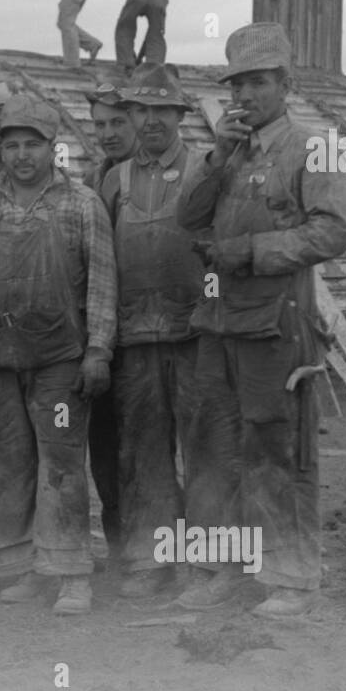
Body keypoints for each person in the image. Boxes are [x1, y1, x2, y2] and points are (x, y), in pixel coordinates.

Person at [175, 22, 346, 618]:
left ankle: (290, 576)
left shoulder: (311, 147)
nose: (245, 95)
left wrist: (251, 251)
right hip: (219, 324)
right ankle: (222, 569)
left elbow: (331, 233)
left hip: (278, 325)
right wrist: (217, 156)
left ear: (285, 84)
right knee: (210, 450)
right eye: (238, 84)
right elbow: (188, 216)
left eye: (258, 82)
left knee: (275, 448)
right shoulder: (226, 150)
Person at [0, 93, 116, 615]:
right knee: (0, 465)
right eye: (11, 145)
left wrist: (98, 351)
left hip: (60, 358)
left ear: (52, 147)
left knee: (61, 465)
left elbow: (103, 284)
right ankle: (19, 569)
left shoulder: (81, 203)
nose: (21, 155)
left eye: (32, 145)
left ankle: (69, 575)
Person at [99, 64, 206, 598]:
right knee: (143, 455)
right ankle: (153, 561)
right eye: (142, 110)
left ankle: (209, 569)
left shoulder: (204, 170)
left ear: (180, 115)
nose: (152, 120)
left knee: (206, 451)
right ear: (132, 115)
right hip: (135, 341)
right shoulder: (114, 181)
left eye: (164, 110)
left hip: (195, 339)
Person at [80, 82, 138, 551]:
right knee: (106, 450)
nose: (107, 132)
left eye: (117, 122)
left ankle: (158, 556)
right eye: (99, 124)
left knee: (147, 451)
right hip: (103, 335)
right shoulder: (96, 178)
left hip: (147, 333)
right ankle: (123, 554)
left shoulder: (170, 175)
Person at [115, 0, 169, 71]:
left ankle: (127, 63)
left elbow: (126, 30)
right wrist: (139, 59)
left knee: (124, 28)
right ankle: (154, 66)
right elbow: (150, 38)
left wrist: (135, 60)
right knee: (156, 35)